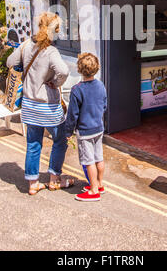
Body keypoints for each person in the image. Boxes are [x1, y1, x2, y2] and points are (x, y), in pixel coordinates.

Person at [7, 12, 74, 196]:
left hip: (29, 104)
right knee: (60, 140)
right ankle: (54, 179)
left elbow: (9, 62)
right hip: (48, 106)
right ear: (56, 31)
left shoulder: (26, 45)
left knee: (33, 143)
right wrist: (56, 83)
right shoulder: (51, 51)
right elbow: (64, 71)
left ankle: (33, 183)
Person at [65, 53, 107, 202]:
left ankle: (94, 190)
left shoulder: (77, 90)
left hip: (85, 130)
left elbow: (72, 114)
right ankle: (100, 184)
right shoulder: (101, 85)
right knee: (99, 158)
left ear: (79, 69)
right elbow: (104, 105)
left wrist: (68, 131)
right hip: (98, 128)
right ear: (97, 68)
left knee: (88, 161)